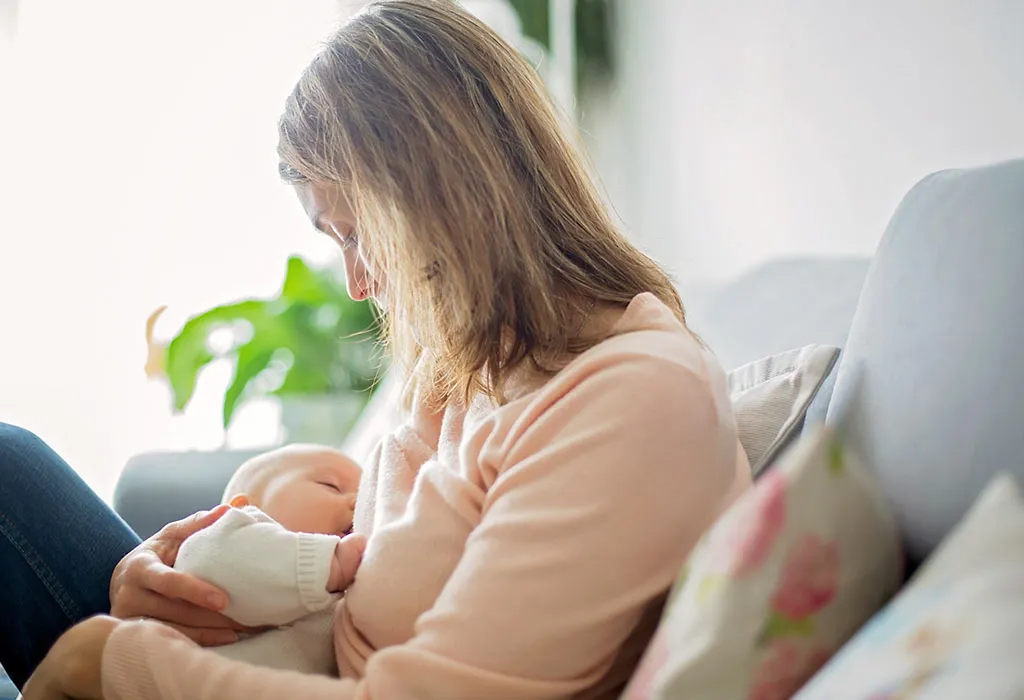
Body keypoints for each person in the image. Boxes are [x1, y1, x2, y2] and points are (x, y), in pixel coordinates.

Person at [4, 1, 752, 698]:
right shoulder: (479, 358)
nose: (358, 284)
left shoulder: (632, 405)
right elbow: (362, 548)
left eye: (358, 234)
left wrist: (108, 661)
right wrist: (166, 572)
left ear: (446, 199)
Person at [173, 444, 366, 675]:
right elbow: (208, 562)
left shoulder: (345, 594)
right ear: (244, 507)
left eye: (366, 496)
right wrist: (331, 564)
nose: (358, 502)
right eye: (331, 486)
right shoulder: (225, 537)